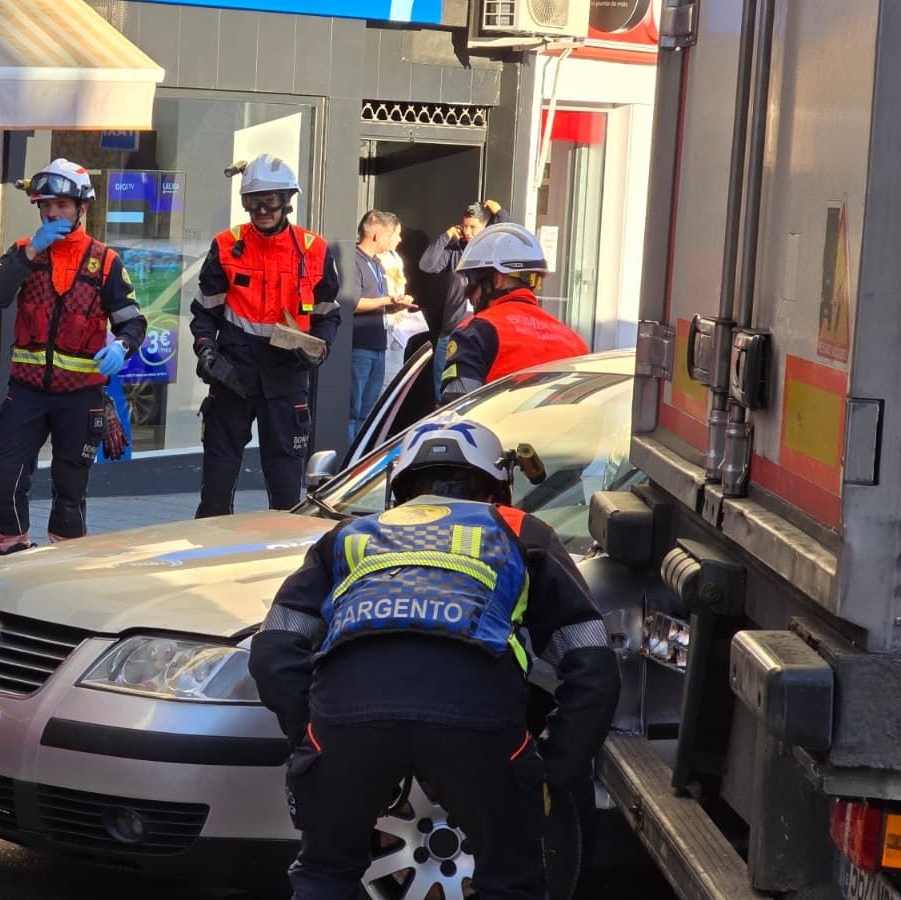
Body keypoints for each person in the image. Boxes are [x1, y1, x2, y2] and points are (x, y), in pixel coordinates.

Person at [249, 419, 620, 900]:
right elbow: (592, 664)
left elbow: (275, 647)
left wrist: (312, 733)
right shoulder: (518, 530)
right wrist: (553, 765)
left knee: (325, 876)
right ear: (497, 485)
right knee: (511, 883)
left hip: (346, 714)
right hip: (477, 718)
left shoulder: (350, 536)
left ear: (399, 487)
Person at [0, 158, 146, 555]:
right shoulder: (23, 252)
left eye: (62, 205)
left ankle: (64, 562)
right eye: (45, 206)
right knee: (4, 474)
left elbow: (133, 322)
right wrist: (32, 251)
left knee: (70, 490)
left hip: (81, 396)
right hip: (27, 392)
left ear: (82, 208)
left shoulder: (105, 261)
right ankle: (12, 548)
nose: (52, 213)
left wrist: (121, 347)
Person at [192, 154, 341, 518]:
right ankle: (208, 554)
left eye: (270, 200)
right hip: (233, 375)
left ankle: (283, 559)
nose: (261, 210)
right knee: (217, 477)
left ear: (287, 201)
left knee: (286, 482)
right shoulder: (226, 245)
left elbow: (328, 314)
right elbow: (205, 311)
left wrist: (319, 351)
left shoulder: (313, 249)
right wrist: (206, 350)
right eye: (253, 201)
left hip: (287, 375)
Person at [440, 223, 588, 403]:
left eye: (471, 281)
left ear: (496, 280)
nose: (468, 294)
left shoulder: (475, 332)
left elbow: (456, 412)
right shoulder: (574, 341)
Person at [416, 199, 507, 393]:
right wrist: (446, 236)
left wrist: (500, 214)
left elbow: (508, 239)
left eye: (473, 227)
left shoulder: (492, 252)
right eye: (464, 226)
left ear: (486, 227)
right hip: (450, 333)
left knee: (473, 393)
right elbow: (427, 264)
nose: (467, 231)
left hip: (478, 334)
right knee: (442, 393)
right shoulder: (456, 250)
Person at [346, 210, 413, 444]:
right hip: (359, 347)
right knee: (352, 412)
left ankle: (360, 462)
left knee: (368, 413)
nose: (398, 240)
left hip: (378, 344)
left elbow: (376, 301)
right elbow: (353, 303)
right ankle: (346, 465)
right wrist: (390, 301)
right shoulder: (353, 260)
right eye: (394, 234)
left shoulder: (377, 263)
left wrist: (396, 305)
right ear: (377, 235)